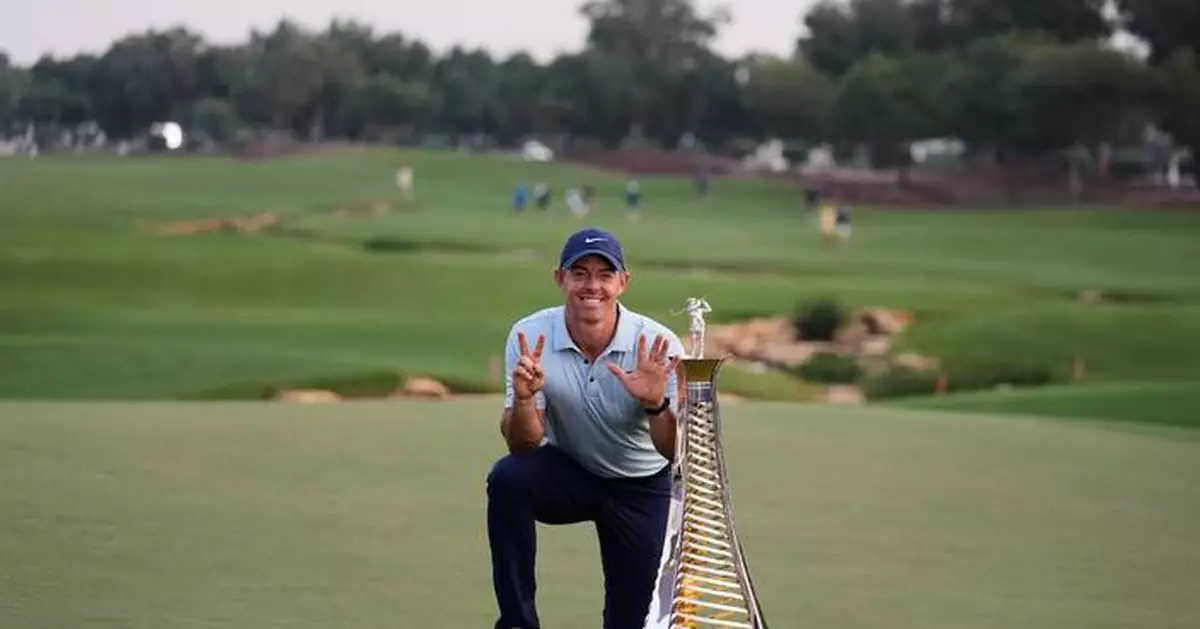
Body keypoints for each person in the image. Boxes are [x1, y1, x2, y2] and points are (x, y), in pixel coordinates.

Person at [486, 227, 687, 629]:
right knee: (508, 479)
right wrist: (525, 398)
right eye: (579, 273)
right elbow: (523, 445)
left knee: (629, 621)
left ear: (622, 283)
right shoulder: (530, 335)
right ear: (560, 279)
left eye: (604, 274)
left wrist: (655, 402)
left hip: (641, 485)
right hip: (571, 469)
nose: (591, 285)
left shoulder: (658, 344)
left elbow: (675, 454)